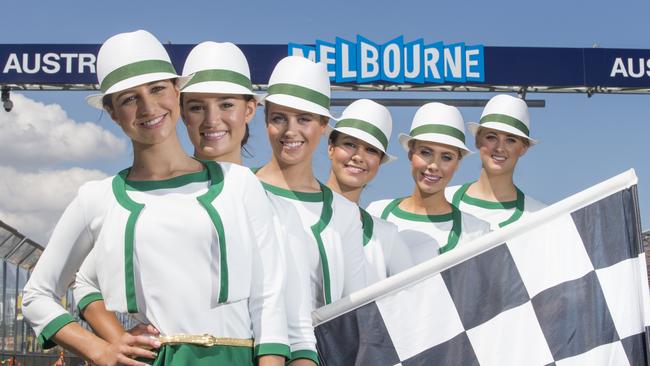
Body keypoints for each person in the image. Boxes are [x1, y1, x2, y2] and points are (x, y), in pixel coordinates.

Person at [22, 30, 288, 366]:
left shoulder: (239, 184)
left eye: (157, 89)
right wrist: (101, 349)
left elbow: (269, 299)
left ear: (177, 92)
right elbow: (36, 295)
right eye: (129, 99)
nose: (148, 107)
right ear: (112, 111)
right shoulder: (97, 198)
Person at [255, 56, 368, 310]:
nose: (290, 131)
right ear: (266, 120)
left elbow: (354, 309)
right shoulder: (238, 189)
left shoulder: (345, 213)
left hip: (320, 349)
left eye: (304, 119)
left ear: (323, 125)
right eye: (279, 118)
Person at [366, 102, 489, 266]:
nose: (433, 166)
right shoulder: (376, 213)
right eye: (425, 152)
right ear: (411, 154)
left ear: (457, 163)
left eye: (446, 157)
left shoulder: (477, 232)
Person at [325, 99, 412, 282]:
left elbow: (416, 299)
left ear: (379, 162)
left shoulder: (387, 237)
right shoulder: (294, 210)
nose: (358, 157)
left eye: (371, 150)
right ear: (331, 148)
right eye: (349, 144)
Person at [445, 94, 545, 229]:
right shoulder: (443, 199)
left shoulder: (539, 216)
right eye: (491, 137)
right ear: (477, 141)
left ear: (523, 148)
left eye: (510, 140)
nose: (499, 148)